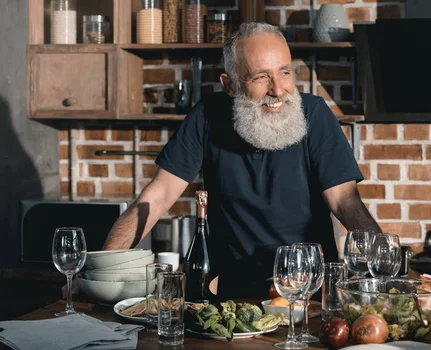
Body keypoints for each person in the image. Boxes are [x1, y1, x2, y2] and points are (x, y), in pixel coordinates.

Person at [103, 22, 380, 299]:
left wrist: (384, 270)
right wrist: (101, 271)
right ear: (230, 85)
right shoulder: (207, 116)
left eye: (284, 73)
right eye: (261, 77)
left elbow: (345, 200)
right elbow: (158, 196)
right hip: (230, 296)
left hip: (306, 292)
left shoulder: (315, 114)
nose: (278, 90)